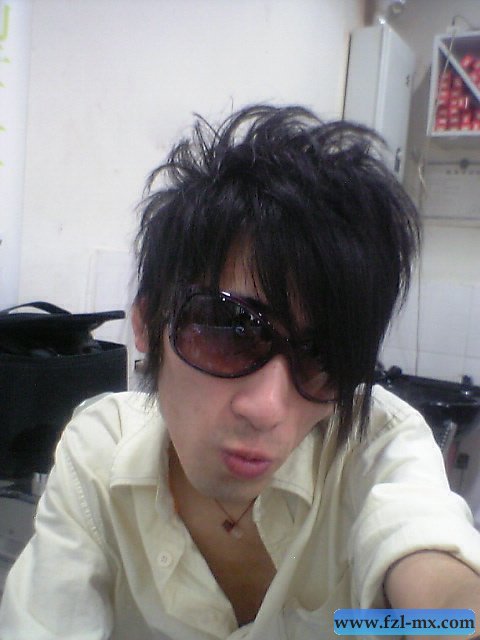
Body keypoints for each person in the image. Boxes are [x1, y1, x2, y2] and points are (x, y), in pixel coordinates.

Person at [1, 104, 480, 640]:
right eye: (228, 329)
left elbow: (441, 586)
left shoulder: (375, 447)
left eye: (324, 354)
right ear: (146, 323)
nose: (267, 408)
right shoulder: (99, 455)